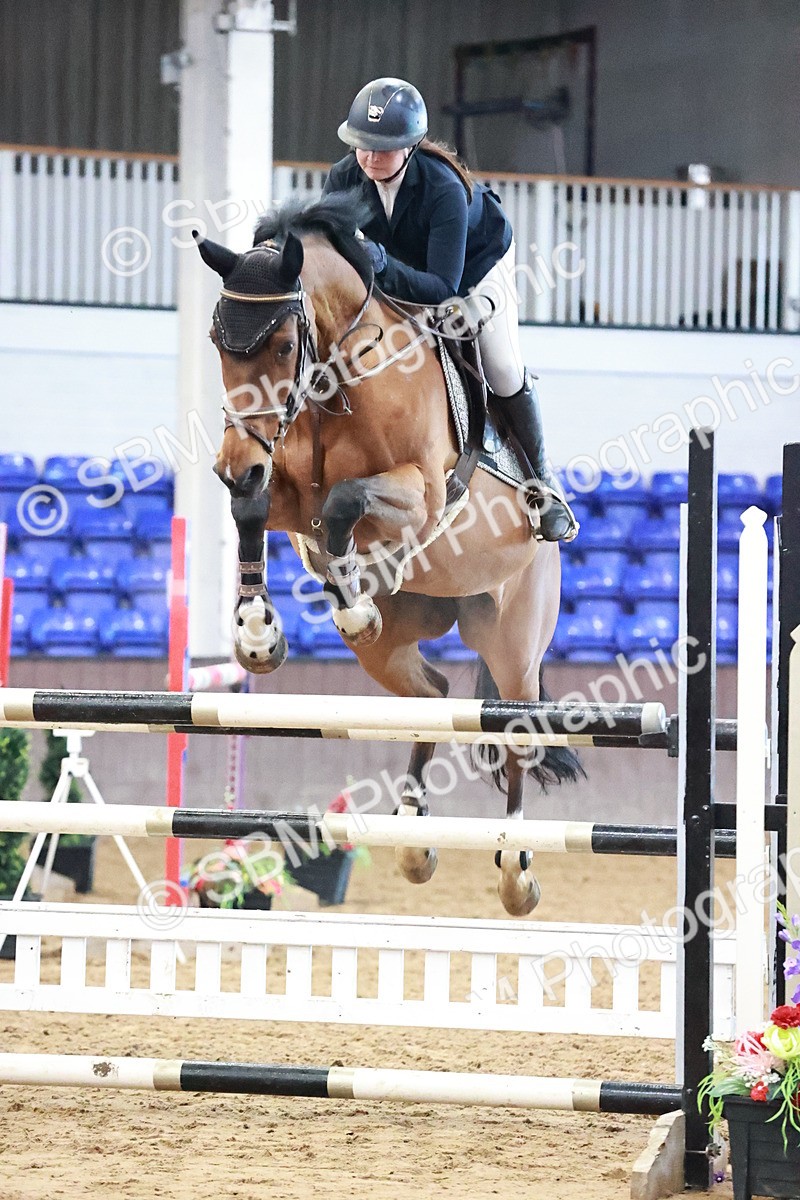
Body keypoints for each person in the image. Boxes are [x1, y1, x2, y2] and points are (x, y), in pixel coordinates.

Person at [323, 76, 577, 542]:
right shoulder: (343, 179)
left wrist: (379, 262)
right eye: (362, 145)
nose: (370, 157)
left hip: (473, 270)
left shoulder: (443, 188)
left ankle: (543, 485)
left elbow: (442, 288)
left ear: (410, 146)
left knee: (501, 365)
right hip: (397, 272)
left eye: (383, 148)